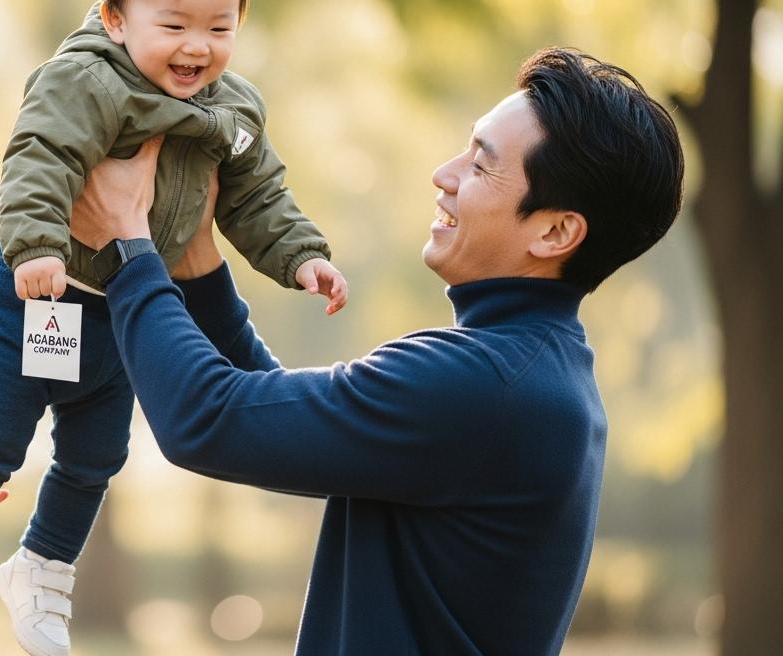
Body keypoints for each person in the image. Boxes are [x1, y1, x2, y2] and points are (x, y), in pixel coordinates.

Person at [69, 47, 685, 655]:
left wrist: (128, 243)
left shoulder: (482, 382)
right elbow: (272, 424)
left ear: (554, 232)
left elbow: (206, 421)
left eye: (481, 165)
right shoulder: (536, 374)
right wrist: (195, 263)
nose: (444, 174)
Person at [0, 0, 348, 656]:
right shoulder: (85, 82)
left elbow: (257, 197)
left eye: (220, 29)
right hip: (36, 297)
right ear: (117, 19)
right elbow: (38, 159)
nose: (197, 47)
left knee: (96, 457)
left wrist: (300, 255)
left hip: (120, 312)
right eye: (175, 24)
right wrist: (35, 247)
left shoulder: (234, 110)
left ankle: (44, 571)